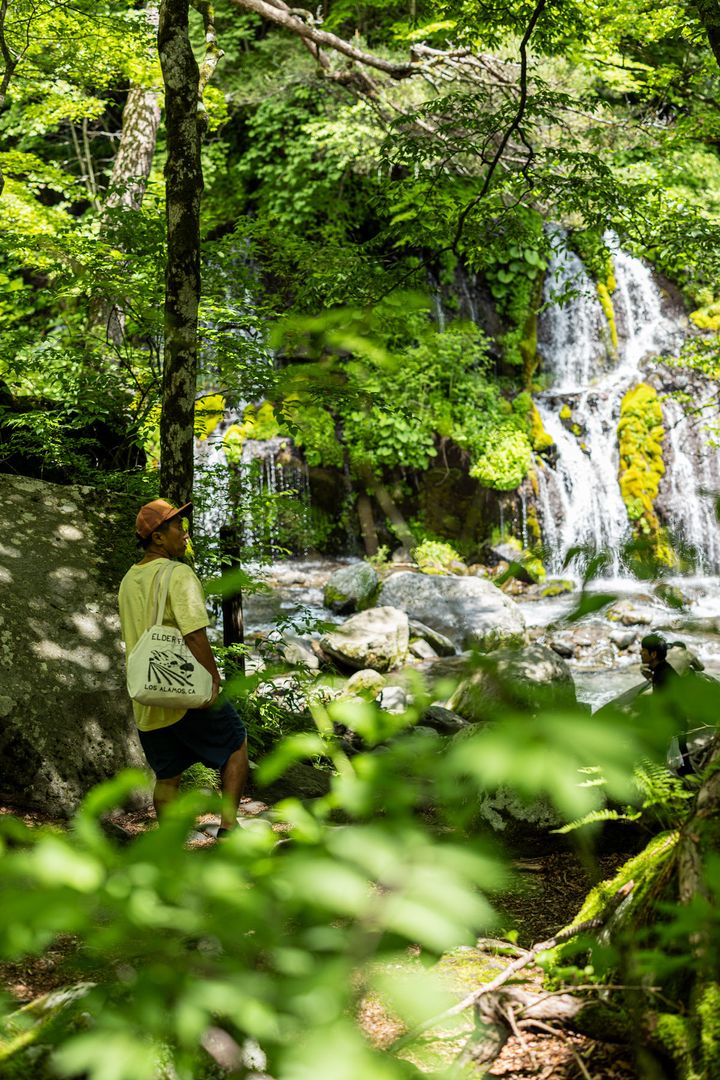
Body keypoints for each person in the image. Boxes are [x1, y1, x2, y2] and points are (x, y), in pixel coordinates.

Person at [119, 499, 248, 837]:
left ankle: (168, 846)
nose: (185, 535)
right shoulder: (178, 574)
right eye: (179, 527)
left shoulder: (128, 580)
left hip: (146, 693)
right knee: (235, 743)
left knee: (167, 775)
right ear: (159, 538)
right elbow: (193, 635)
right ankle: (229, 827)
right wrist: (212, 678)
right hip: (182, 688)